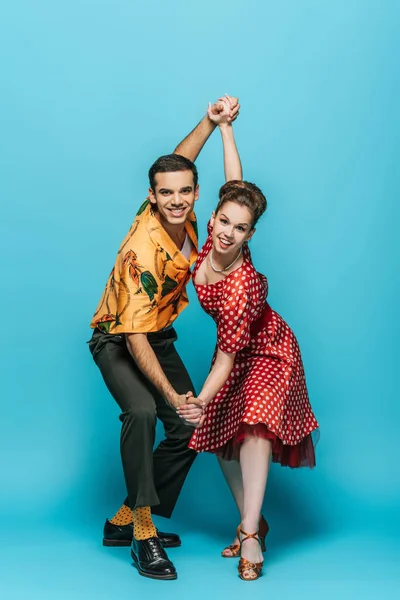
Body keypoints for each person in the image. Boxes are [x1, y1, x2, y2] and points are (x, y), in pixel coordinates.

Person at [88, 96, 239, 580]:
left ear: (195, 194)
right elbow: (133, 339)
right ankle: (143, 534)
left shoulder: (189, 213)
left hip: (158, 335)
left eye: (184, 192)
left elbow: (180, 162)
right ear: (151, 197)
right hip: (117, 338)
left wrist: (211, 123)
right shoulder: (141, 249)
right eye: (165, 193)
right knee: (145, 410)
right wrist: (172, 394)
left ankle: (123, 520)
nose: (176, 200)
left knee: (192, 425)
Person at [178, 98, 319, 581]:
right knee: (220, 441)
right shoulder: (208, 239)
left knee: (255, 425)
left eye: (241, 228)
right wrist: (224, 128)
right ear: (213, 216)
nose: (228, 232)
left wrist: (198, 399)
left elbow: (223, 358)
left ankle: (252, 537)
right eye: (224, 220)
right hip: (235, 352)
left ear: (250, 234)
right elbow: (235, 184)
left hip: (271, 351)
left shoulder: (244, 286)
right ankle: (251, 522)